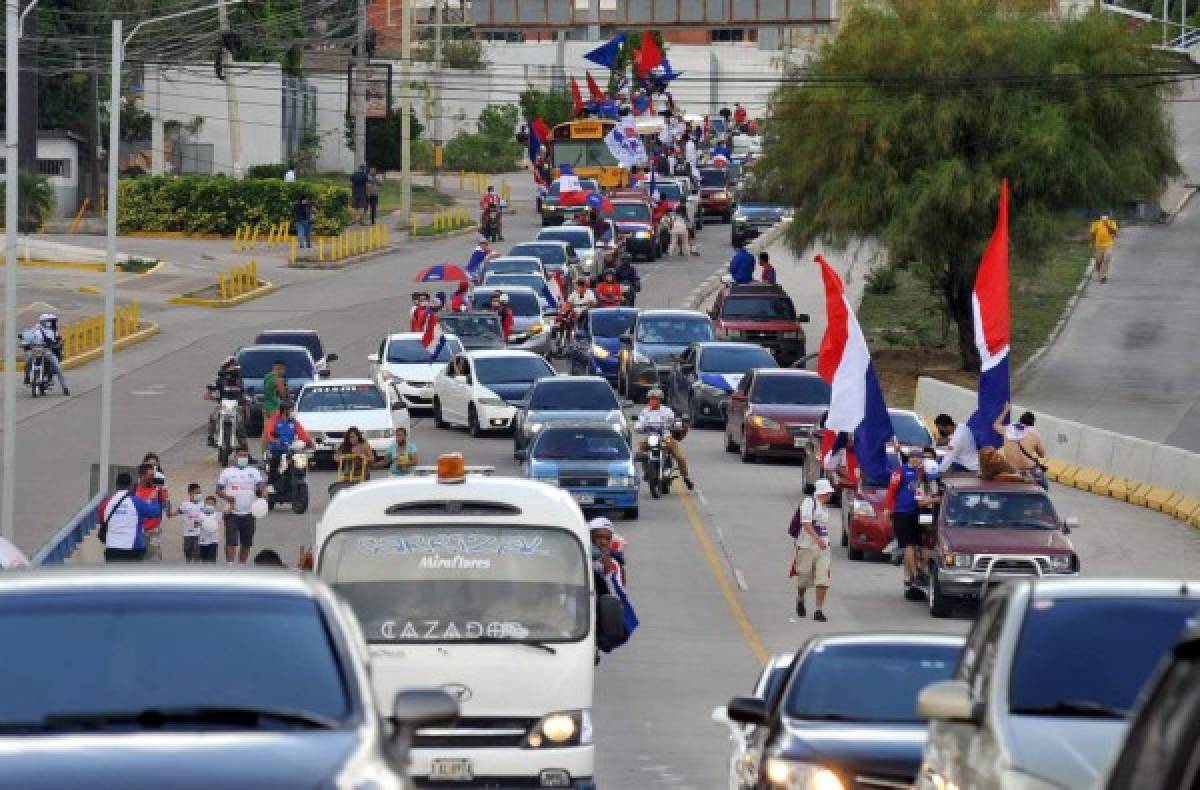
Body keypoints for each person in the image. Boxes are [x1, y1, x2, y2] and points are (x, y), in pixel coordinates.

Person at [790, 479, 834, 621]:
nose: (830, 495)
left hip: (823, 547)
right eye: (828, 493)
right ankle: (800, 598)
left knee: (823, 579)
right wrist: (817, 539)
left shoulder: (824, 507)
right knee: (803, 578)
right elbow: (806, 523)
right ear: (822, 493)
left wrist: (823, 542)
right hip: (807, 546)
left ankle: (818, 610)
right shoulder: (809, 503)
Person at [634, 388, 694, 490]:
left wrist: (676, 425)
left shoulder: (667, 411)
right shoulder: (645, 412)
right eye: (651, 399)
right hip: (651, 437)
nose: (652, 401)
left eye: (655, 399)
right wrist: (638, 427)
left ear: (660, 400)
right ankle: (647, 473)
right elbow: (640, 422)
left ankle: (686, 477)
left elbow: (673, 421)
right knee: (641, 453)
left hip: (666, 438)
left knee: (680, 457)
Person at [98, 471, 162, 562]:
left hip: (112, 549)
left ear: (116, 485)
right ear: (131, 486)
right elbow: (155, 512)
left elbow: (102, 521)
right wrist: (154, 499)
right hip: (132, 550)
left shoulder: (105, 503)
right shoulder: (136, 502)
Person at [216, 448, 266, 564]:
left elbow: (261, 485)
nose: (243, 458)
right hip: (232, 513)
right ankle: (230, 566)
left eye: (245, 455)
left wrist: (264, 493)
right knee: (231, 542)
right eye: (240, 455)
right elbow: (218, 490)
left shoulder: (254, 471)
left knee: (247, 544)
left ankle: (241, 566)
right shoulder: (227, 472)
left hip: (249, 513)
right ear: (235, 456)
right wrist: (227, 498)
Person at [885, 451, 926, 590]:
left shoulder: (921, 472)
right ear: (910, 458)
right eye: (914, 457)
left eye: (919, 458)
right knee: (908, 545)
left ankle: (913, 574)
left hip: (916, 512)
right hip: (902, 512)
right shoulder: (901, 471)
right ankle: (914, 575)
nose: (917, 460)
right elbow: (891, 489)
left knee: (916, 546)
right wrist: (887, 508)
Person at [993, 403, 1048, 487]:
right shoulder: (1034, 435)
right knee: (1044, 486)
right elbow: (1042, 455)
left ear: (1020, 420)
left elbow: (995, 425)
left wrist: (1006, 410)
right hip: (1029, 470)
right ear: (1032, 424)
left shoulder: (1007, 430)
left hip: (1012, 470)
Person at [264, 399, 313, 482]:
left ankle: (299, 479)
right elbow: (268, 433)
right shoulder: (274, 420)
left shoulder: (293, 422)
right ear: (285, 410)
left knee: (299, 463)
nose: (293, 412)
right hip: (277, 449)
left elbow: (302, 433)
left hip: (289, 449)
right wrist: (274, 440)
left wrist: (309, 442)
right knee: (275, 462)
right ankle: (271, 484)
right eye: (291, 410)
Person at [207, 358, 249, 451]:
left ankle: (246, 455)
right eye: (231, 366)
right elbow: (210, 389)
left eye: (235, 366)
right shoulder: (220, 380)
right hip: (223, 405)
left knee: (241, 429)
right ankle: (210, 437)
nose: (234, 368)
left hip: (236, 407)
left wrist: (246, 401)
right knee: (213, 416)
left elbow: (243, 393)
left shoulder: (239, 381)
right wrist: (210, 395)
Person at [134, 456, 170, 562]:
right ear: (142, 475)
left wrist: (161, 489)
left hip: (153, 530)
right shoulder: (133, 489)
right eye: (150, 474)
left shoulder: (158, 487)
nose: (152, 475)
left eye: (155, 466)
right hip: (137, 531)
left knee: (153, 559)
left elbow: (166, 506)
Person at [23, 313, 69, 395]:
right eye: (48, 321)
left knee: (57, 367)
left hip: (47, 351)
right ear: (42, 322)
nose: (50, 323)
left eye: (51, 321)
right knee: (28, 361)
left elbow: (58, 340)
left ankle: (65, 387)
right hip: (36, 350)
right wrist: (25, 342)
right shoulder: (35, 329)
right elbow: (27, 336)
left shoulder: (54, 332)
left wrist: (58, 343)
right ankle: (27, 377)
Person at [590, 517, 627, 588]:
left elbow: (620, 588)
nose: (604, 542)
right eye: (599, 537)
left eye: (608, 539)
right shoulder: (581, 556)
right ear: (590, 537)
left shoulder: (614, 560)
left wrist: (607, 567)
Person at [177, 482, 205, 563]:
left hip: (199, 533)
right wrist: (170, 514)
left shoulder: (203, 504)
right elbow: (177, 511)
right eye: (196, 493)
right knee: (187, 551)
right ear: (190, 493)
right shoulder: (185, 504)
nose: (199, 494)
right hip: (187, 534)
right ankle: (188, 563)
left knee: (197, 551)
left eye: (200, 492)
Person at [1089, 213, 1118, 284]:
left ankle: (1103, 277)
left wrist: (1107, 225)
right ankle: (1099, 272)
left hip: (1108, 245)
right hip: (1098, 245)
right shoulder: (1096, 223)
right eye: (1103, 216)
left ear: (1108, 217)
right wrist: (1091, 243)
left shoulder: (1111, 223)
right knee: (1098, 261)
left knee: (1106, 259)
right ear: (1100, 217)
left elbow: (1114, 232)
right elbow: (1093, 234)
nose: (1104, 217)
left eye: (1106, 216)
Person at [261, 359, 288, 427]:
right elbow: (283, 394)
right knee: (277, 429)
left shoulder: (266, 377)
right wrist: (285, 387)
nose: (284, 372)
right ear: (279, 369)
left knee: (267, 429)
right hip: (274, 407)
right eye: (283, 370)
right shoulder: (278, 379)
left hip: (266, 406)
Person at [196, 495, 221, 563]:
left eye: (211, 503)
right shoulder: (200, 514)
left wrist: (232, 505)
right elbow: (196, 524)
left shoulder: (217, 514)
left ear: (215, 505)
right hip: (203, 541)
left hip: (213, 541)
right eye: (208, 503)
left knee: (212, 560)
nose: (209, 505)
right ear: (205, 504)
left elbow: (226, 513)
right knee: (204, 560)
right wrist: (201, 524)